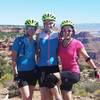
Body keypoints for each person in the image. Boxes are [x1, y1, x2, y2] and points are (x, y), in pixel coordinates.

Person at [58, 20, 100, 100]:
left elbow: (87, 58)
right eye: (64, 30)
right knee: (65, 92)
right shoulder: (60, 43)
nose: (66, 32)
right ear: (61, 32)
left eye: (69, 30)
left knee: (53, 78)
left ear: (73, 32)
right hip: (65, 72)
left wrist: (95, 69)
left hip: (74, 72)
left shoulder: (77, 43)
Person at [37, 13, 62, 100]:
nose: (48, 25)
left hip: (54, 67)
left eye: (50, 23)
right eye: (46, 23)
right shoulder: (39, 35)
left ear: (54, 24)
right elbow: (37, 50)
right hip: (41, 67)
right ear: (43, 24)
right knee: (44, 94)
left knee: (55, 93)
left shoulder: (58, 35)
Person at [11, 19, 38, 100]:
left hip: (33, 72)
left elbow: (37, 56)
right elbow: (13, 58)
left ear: (35, 30)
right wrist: (15, 73)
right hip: (21, 73)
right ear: (26, 29)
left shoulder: (35, 42)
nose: (31, 30)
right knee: (26, 97)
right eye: (29, 28)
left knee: (29, 97)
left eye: (33, 28)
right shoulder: (18, 40)